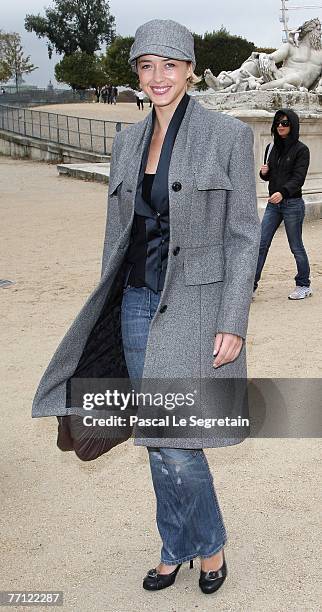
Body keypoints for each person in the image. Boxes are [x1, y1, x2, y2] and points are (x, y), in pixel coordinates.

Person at [31, 19, 261, 596]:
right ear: (137, 73)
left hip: (198, 309)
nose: (158, 77)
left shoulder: (229, 135)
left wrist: (234, 320)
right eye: (146, 66)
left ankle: (207, 547)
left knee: (178, 442)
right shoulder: (129, 140)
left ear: (189, 69)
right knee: (157, 439)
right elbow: (119, 232)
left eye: (169, 64)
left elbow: (241, 236)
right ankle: (174, 544)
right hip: (136, 304)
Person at [253, 108, 312, 299]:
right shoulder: (272, 147)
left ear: (292, 125)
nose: (280, 126)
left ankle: (303, 284)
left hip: (292, 203)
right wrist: (264, 173)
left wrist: (283, 192)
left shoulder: (302, 150)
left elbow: (298, 178)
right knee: (260, 244)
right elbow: (269, 176)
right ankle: (250, 285)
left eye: (285, 123)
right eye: (278, 122)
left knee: (296, 246)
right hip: (273, 204)